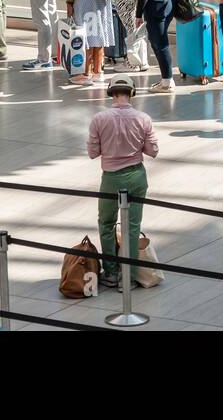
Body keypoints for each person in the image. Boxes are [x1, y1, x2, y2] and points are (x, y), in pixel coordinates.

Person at [87, 77, 158, 289]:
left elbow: (92, 153)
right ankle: (128, 275)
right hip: (137, 175)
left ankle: (110, 272)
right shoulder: (143, 118)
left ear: (111, 93)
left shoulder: (99, 119)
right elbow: (152, 150)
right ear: (132, 93)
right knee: (132, 226)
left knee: (107, 223)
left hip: (110, 178)